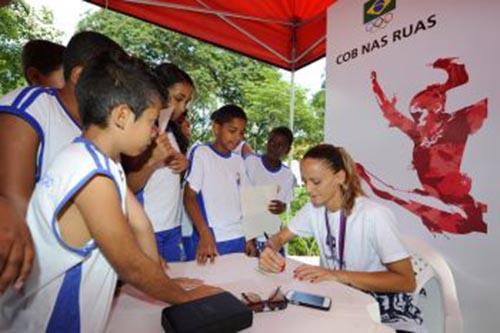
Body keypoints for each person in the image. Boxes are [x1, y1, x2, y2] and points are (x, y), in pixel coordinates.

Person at [0, 51, 220, 332]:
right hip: (53, 322)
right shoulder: (93, 176)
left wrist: (165, 281)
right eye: (152, 121)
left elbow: (141, 224)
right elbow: (130, 265)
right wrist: (185, 298)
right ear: (122, 116)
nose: (155, 132)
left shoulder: (100, 160)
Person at [0, 31, 124, 294]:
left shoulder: (102, 131)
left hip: (77, 280)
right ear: (79, 76)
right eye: (113, 81)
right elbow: (16, 203)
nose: (120, 92)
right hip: (32, 285)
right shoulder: (29, 106)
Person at [259, 144, 424, 332]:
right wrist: (269, 250)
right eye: (305, 182)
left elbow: (406, 281)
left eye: (316, 181)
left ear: (340, 177)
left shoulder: (374, 215)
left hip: (387, 316)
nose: (309, 189)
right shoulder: (313, 210)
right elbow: (279, 238)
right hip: (342, 304)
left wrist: (338, 275)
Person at [124, 63, 194, 262]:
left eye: (186, 102)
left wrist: (182, 165)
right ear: (159, 91)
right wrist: (155, 160)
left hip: (173, 226)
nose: (182, 108)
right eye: (178, 99)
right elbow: (129, 185)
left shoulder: (172, 132)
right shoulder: (142, 131)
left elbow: (168, 177)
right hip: (148, 228)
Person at [183, 104, 250, 263]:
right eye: (232, 131)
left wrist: (249, 237)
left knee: (238, 286)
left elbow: (245, 201)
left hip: (238, 237)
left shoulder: (239, 161)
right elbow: (189, 198)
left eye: (241, 133)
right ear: (216, 128)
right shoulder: (202, 154)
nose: (237, 138)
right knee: (211, 287)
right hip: (213, 239)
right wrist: (204, 233)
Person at [244, 126, 296, 255]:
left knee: (273, 271)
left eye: (280, 145)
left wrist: (281, 208)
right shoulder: (251, 162)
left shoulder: (287, 175)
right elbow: (242, 198)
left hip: (271, 234)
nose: (274, 147)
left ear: (287, 150)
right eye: (271, 142)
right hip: (249, 234)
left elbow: (283, 205)